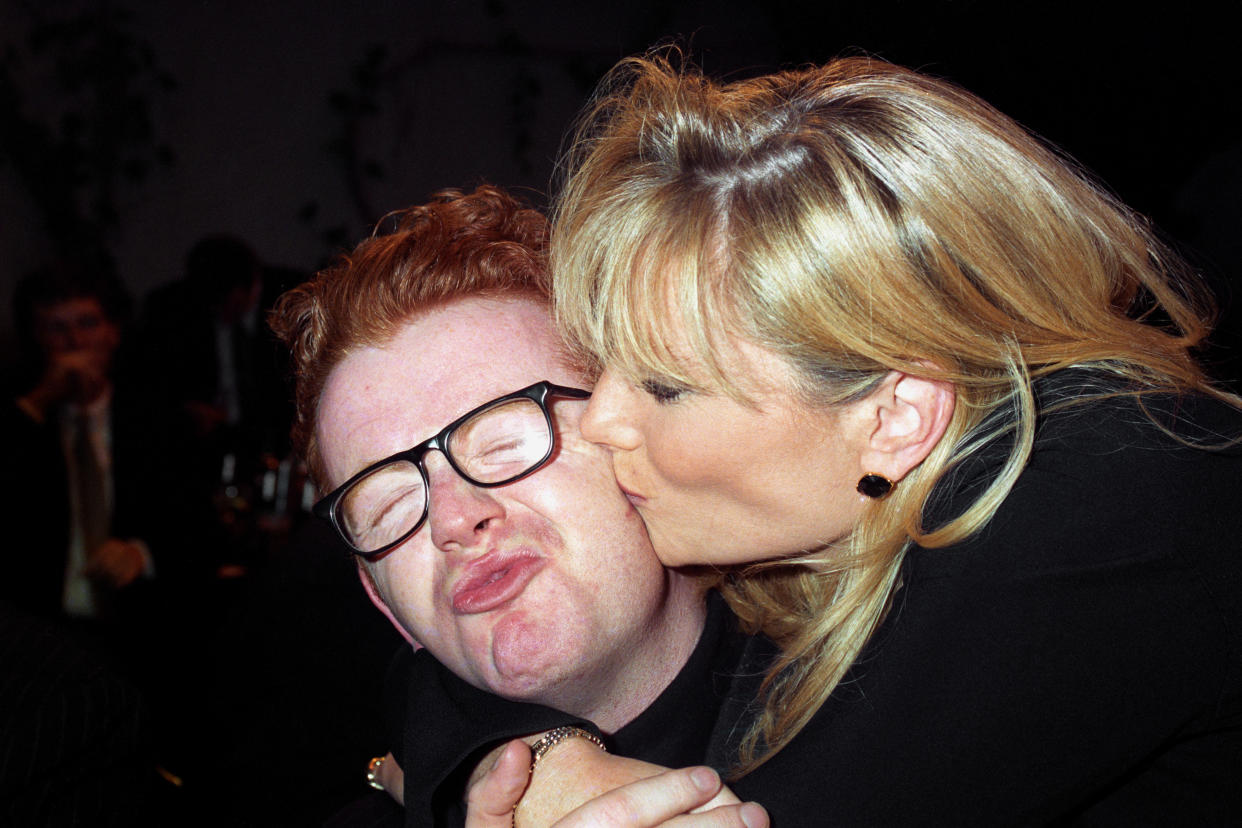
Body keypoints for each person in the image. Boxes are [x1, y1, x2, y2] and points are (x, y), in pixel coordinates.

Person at [465, 54, 1242, 825]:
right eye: (606, 367)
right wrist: (539, 755)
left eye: (666, 386)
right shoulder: (838, 519)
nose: (599, 421)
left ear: (897, 417)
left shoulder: (1110, 497)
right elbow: (447, 662)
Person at [268, 184, 768, 828]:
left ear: (637, 443)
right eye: (389, 505)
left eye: (505, 440)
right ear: (384, 603)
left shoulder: (892, 712)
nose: (453, 520)